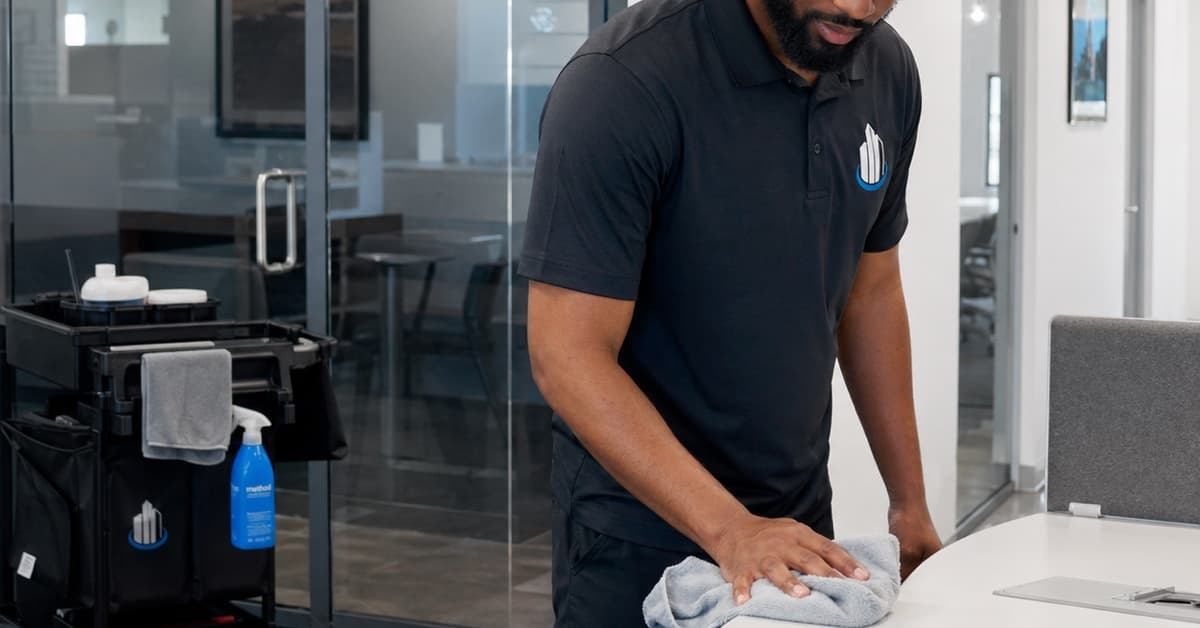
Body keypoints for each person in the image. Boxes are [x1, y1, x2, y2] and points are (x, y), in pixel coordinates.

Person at [520, 0, 943, 625]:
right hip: (637, 532)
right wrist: (730, 529)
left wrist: (908, 503)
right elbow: (566, 355)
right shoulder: (624, 82)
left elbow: (870, 289)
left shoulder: (884, 67)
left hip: (794, 521)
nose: (858, 8)